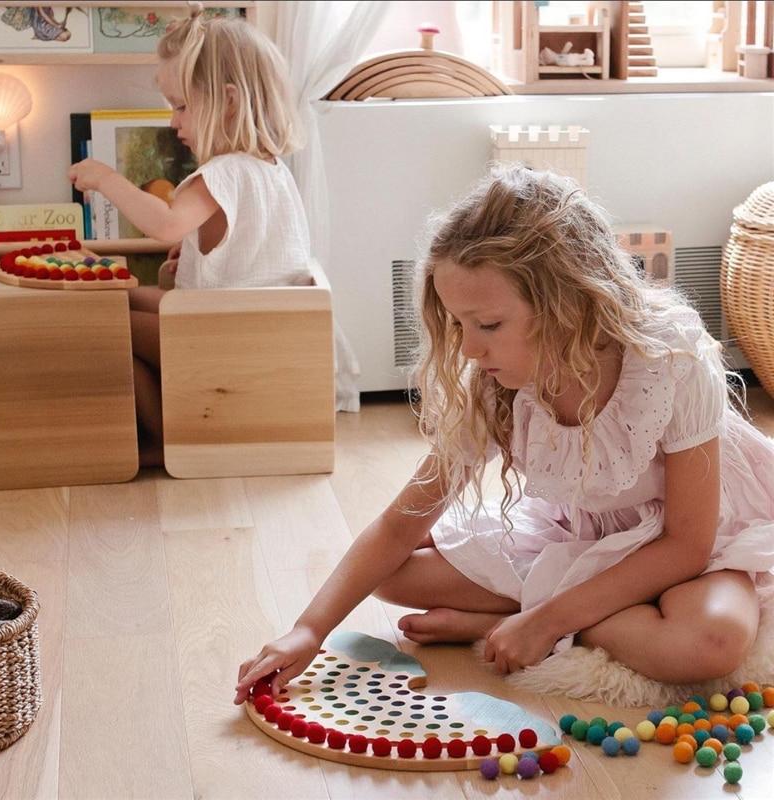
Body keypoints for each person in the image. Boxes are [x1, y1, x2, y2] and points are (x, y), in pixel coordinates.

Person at [235, 165, 774, 702]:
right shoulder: (497, 384)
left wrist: (547, 621)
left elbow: (687, 545)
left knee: (712, 642)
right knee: (392, 575)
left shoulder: (671, 358)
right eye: (459, 324)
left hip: (693, 541)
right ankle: (576, 613)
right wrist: (308, 630)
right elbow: (401, 524)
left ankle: (528, 620)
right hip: (589, 532)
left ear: (567, 305)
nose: (469, 349)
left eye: (488, 325)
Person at [69, 5, 310, 466]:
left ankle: (168, 438)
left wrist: (107, 179)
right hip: (249, 332)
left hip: (219, 340)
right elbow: (247, 256)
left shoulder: (221, 174)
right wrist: (190, 261)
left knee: (106, 324)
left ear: (230, 101)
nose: (172, 122)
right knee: (120, 296)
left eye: (181, 106)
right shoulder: (271, 170)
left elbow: (163, 224)